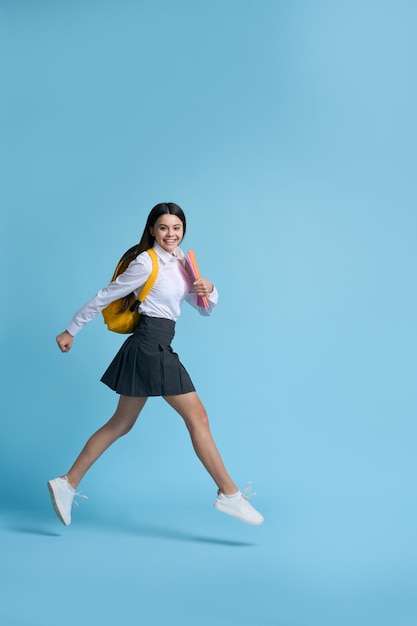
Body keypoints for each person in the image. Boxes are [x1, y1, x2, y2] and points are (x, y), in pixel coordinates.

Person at [48, 202, 264, 527]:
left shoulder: (180, 262)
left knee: (120, 424)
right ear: (152, 229)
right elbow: (105, 295)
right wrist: (72, 329)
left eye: (176, 228)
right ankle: (229, 494)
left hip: (155, 344)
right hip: (151, 345)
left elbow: (202, 308)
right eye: (163, 228)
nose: (170, 234)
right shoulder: (145, 263)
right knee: (198, 417)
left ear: (183, 231)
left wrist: (210, 289)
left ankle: (67, 483)